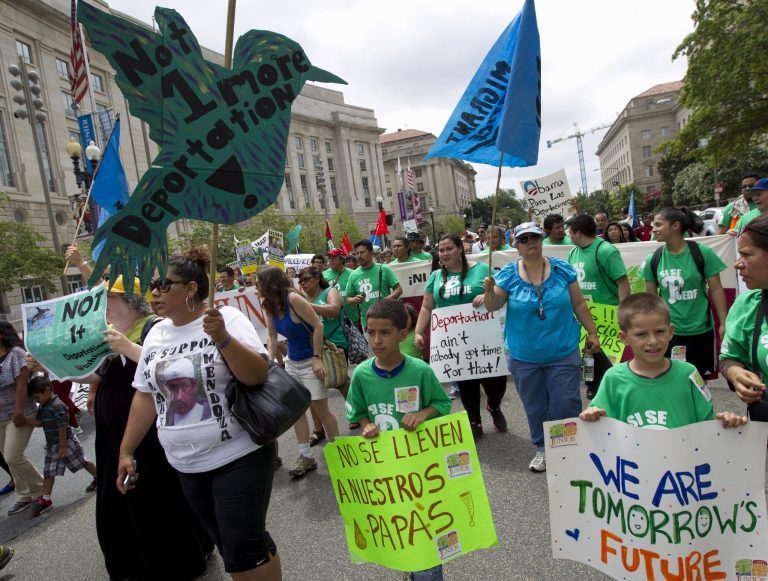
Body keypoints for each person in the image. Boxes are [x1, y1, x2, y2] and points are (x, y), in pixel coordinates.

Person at [119, 247, 282, 580]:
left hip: (239, 454)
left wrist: (222, 338)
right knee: (227, 545)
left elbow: (257, 374)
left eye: (164, 284)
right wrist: (126, 450)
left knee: (243, 541)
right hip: (185, 464)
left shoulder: (227, 319)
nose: (155, 292)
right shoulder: (155, 334)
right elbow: (146, 396)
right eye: (152, 286)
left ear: (191, 288)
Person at [63, 249, 214, 580]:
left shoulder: (154, 328)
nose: (102, 308)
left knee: (159, 492)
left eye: (109, 300)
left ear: (130, 302)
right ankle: (134, 561)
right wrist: (58, 367)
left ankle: (179, 557)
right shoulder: (110, 335)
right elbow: (97, 375)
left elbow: (170, 369)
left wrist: (124, 347)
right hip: (114, 430)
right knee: (120, 495)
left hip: (150, 426)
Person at [346, 299, 452, 581]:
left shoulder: (420, 371)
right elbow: (357, 412)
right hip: (385, 474)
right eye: (370, 332)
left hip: (421, 469)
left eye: (385, 333)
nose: (376, 340)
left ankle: (426, 569)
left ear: (402, 334)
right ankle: (410, 565)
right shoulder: (362, 375)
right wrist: (366, 426)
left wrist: (423, 413)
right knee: (400, 527)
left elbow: (443, 404)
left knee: (426, 533)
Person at [483, 222, 600, 472]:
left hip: (562, 350)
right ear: (516, 245)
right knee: (536, 406)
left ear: (542, 240)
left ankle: (569, 447)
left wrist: (593, 332)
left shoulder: (563, 270)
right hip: (524, 355)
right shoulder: (506, 275)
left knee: (565, 403)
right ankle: (543, 448)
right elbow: (492, 306)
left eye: (534, 237)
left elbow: (578, 303)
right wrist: (488, 292)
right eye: (523, 239)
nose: (530, 243)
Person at [581, 293, 746, 429]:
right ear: (624, 338)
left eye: (659, 331)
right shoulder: (613, 378)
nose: (653, 341)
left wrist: (725, 422)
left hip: (683, 466)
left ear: (671, 332)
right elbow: (600, 424)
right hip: (631, 467)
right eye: (641, 334)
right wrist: (593, 415)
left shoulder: (689, 373)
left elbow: (707, 422)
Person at [415, 234, 507, 440]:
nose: (444, 254)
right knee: (466, 383)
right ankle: (474, 420)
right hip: (455, 342)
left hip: (485, 338)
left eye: (449, 249)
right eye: (441, 250)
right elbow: (427, 306)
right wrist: (419, 332)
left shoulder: (483, 269)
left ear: (460, 250)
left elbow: (501, 294)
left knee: (496, 382)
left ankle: (494, 405)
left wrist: (487, 294)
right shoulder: (436, 276)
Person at [259, 265, 339, 479]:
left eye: (258, 282)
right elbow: (272, 336)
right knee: (297, 412)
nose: (255, 286)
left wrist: (315, 358)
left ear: (269, 283)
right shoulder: (267, 303)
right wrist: (269, 361)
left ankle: (340, 453)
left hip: (311, 360)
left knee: (322, 411)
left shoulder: (294, 299)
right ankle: (306, 456)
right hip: (292, 362)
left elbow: (318, 326)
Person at [642, 207, 727, 380]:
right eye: (653, 225)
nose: (653, 229)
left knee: (699, 381)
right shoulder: (654, 259)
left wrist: (724, 323)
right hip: (670, 333)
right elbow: (650, 298)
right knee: (672, 379)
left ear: (675, 226)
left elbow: (717, 289)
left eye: (658, 224)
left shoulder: (702, 253)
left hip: (701, 331)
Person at [568, 214, 630, 399]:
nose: (568, 235)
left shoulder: (605, 251)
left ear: (578, 233)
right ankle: (592, 387)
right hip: (586, 317)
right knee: (588, 357)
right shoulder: (573, 252)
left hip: (609, 319)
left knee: (609, 363)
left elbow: (623, 282)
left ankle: (615, 395)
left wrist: (623, 313)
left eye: (570, 232)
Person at [25, 376, 98, 517]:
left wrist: (63, 446)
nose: (36, 400)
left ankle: (98, 477)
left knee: (82, 461)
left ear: (47, 390)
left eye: (37, 397)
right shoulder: (44, 406)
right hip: (52, 445)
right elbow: (40, 423)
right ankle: (46, 499)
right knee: (49, 471)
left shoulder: (58, 405)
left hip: (67, 442)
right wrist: (27, 420)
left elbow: (62, 427)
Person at [720, 214, 768, 418]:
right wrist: (736, 374)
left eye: (746, 255)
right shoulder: (747, 305)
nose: (737, 264)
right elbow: (730, 358)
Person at [299, 266, 349, 444]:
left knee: (341, 381)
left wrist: (308, 306)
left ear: (318, 278)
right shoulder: (301, 297)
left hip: (335, 344)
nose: (304, 284)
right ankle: (317, 429)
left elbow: (335, 310)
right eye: (301, 281)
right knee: (314, 390)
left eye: (308, 280)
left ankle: (356, 412)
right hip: (313, 348)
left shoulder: (329, 291)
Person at [0, 321, 43, 515]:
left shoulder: (16, 354)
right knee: (9, 459)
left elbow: (21, 385)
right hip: (0, 416)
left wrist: (18, 412)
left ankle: (39, 489)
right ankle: (25, 494)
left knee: (12, 455)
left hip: (20, 413)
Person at [345, 240, 402, 330]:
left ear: (371, 253)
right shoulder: (353, 275)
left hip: (388, 319)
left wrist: (388, 299)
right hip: (367, 323)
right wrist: (354, 299)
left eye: (362, 252)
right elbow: (348, 299)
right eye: (357, 253)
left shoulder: (384, 269)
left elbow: (398, 289)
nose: (359, 256)